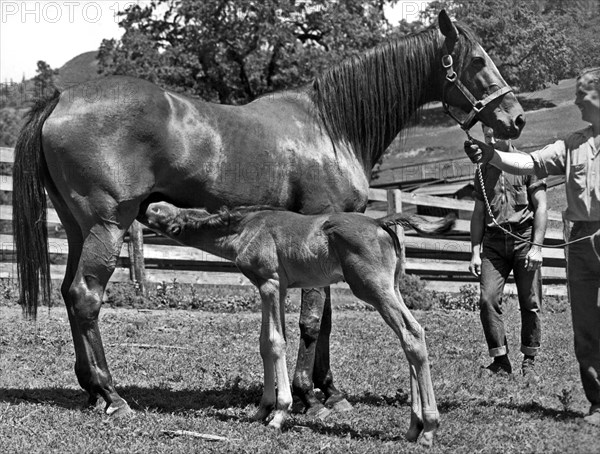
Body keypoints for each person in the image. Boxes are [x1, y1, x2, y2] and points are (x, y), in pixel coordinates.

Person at [464, 67, 600, 426]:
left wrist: (536, 244)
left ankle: (533, 359)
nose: (573, 100)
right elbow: (528, 162)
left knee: (538, 305)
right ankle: (597, 403)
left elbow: (538, 202)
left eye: (581, 94)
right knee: (585, 324)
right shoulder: (571, 143)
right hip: (581, 242)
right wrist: (490, 155)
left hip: (549, 238)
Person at [469, 125, 547, 378]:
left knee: (530, 300)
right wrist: (474, 251)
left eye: (495, 133)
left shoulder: (528, 164)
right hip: (493, 242)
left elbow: (541, 207)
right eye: (486, 133)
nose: (490, 138)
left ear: (508, 133)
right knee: (487, 299)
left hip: (524, 238)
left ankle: (530, 359)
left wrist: (536, 247)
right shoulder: (482, 171)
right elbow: (479, 213)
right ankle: (500, 360)